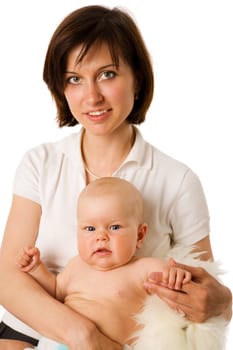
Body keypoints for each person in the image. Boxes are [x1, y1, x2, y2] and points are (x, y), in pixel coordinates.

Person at [0, 4, 231, 350]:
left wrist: (222, 302)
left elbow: (205, 293)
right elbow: (7, 278)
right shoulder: (40, 163)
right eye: (74, 79)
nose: (91, 96)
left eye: (107, 74)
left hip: (123, 338)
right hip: (35, 324)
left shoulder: (176, 180)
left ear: (136, 76)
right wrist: (83, 335)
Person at [17, 177, 192, 349]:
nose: (101, 237)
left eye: (114, 227)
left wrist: (177, 275)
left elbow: (177, 283)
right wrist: (37, 269)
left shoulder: (143, 269)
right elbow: (55, 292)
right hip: (57, 343)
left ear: (139, 235)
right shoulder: (75, 266)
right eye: (90, 229)